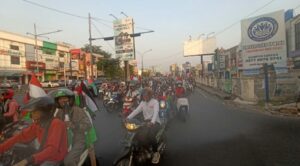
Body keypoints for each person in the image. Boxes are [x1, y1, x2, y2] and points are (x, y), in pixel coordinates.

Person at [0, 96, 68, 166]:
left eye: (34, 112)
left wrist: (27, 160)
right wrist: (1, 148)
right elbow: (20, 137)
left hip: (55, 158)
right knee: (17, 149)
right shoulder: (38, 124)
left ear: (45, 112)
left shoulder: (57, 124)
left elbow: (52, 150)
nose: (31, 115)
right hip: (43, 153)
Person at [53, 89, 92, 166]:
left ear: (70, 99)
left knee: (69, 161)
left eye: (65, 98)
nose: (62, 100)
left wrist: (73, 125)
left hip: (78, 140)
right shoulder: (59, 112)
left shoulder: (78, 111)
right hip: (64, 140)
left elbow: (88, 125)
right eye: (60, 99)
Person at [127, 87, 162, 164]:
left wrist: (152, 122)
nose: (144, 97)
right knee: (137, 133)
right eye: (143, 95)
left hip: (155, 122)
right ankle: (143, 149)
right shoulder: (142, 103)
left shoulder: (155, 102)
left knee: (150, 134)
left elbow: (156, 112)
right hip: (146, 122)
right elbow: (136, 111)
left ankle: (156, 153)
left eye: (146, 95)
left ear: (150, 95)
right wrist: (127, 118)